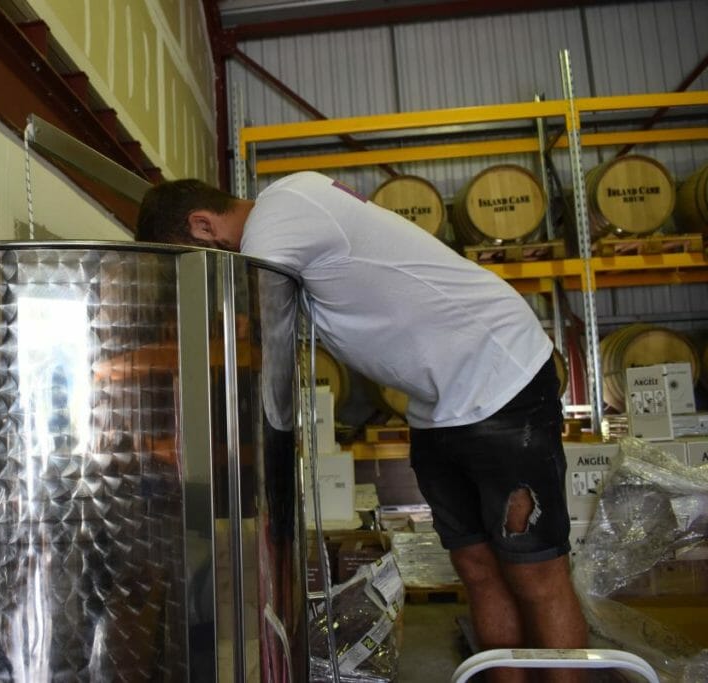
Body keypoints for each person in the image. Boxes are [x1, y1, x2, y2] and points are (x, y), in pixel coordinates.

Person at [136, 171, 589, 682]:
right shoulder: (285, 232)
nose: (210, 276)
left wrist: (131, 363)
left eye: (200, 259)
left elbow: (244, 327)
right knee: (478, 569)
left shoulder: (279, 213)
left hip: (501, 379)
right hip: (437, 408)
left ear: (203, 225)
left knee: (535, 573)